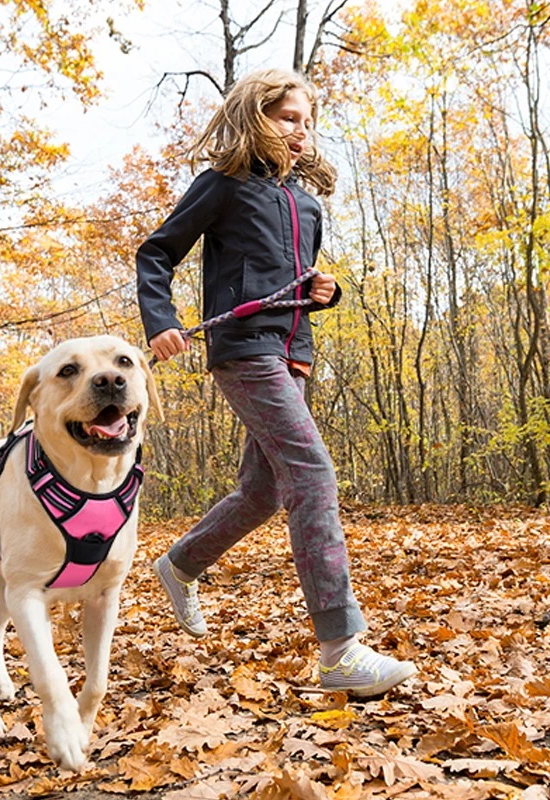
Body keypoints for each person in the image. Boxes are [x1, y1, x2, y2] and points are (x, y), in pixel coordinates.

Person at [136, 68, 416, 697]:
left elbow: (295, 281)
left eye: (308, 122)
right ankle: (340, 649)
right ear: (255, 117)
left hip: (295, 355)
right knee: (313, 474)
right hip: (245, 350)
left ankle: (180, 564)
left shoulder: (307, 203)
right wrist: (162, 321)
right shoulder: (223, 186)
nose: (301, 131)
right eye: (289, 117)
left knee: (262, 491)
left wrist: (325, 291)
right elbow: (156, 253)